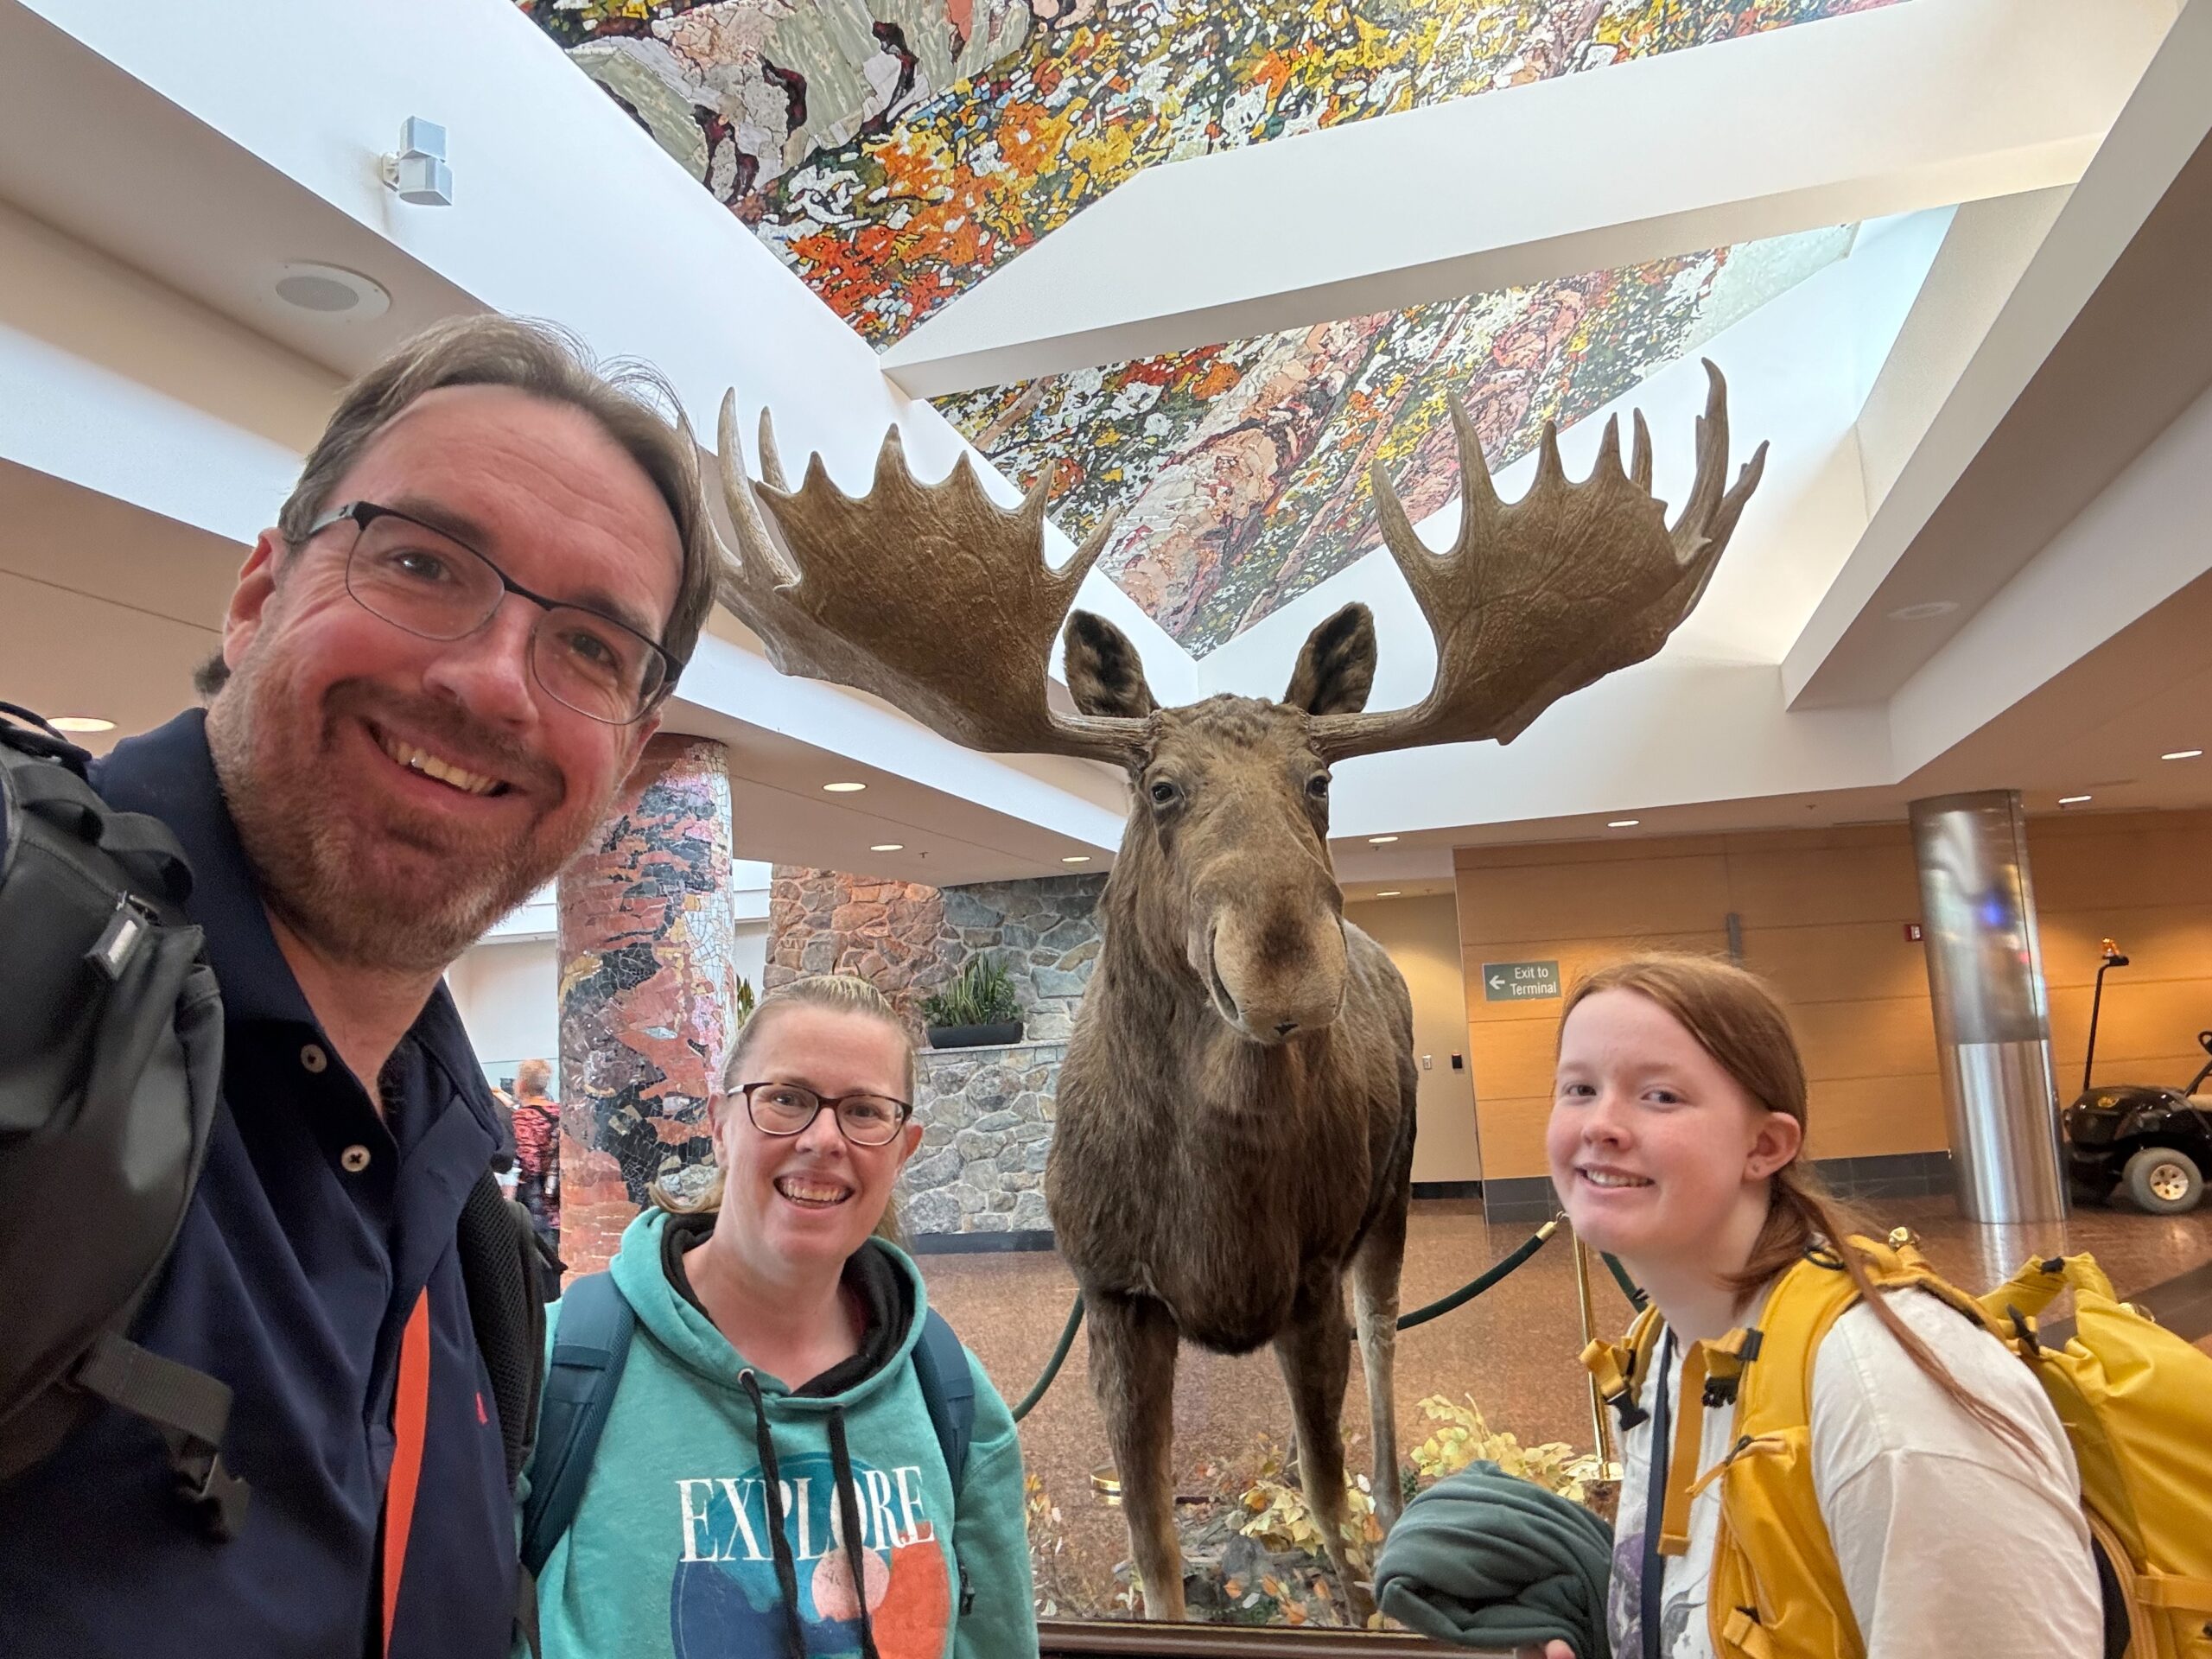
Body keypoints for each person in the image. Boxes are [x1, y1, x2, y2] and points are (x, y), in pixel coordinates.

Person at [0, 314, 718, 1658]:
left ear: (623, 763)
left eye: (590, 651)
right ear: (261, 593)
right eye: (422, 564)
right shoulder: (24, 963)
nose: (492, 681)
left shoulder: (468, 1234)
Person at [1529, 953, 2101, 1659]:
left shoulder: (1889, 1392)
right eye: (1579, 1088)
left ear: (1765, 1145)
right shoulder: (1661, 1351)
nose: (1601, 1126)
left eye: (1661, 1097)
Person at [525, 975, 1037, 1659]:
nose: (824, 1138)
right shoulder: (557, 1368)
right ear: (720, 1124)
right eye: (787, 1099)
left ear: (903, 1148)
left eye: (864, 1111)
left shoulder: (950, 1396)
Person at [512, 1056, 563, 1243]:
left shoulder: (523, 1117)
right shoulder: (560, 1111)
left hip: (540, 1200)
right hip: (562, 1195)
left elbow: (530, 1162)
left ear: (522, 1084)